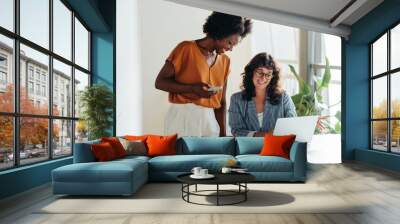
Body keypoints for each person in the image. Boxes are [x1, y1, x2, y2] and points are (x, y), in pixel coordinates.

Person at [155, 12, 252, 137]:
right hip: (183, 116)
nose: (231, 49)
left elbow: (221, 102)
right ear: (219, 34)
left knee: (211, 155)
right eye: (229, 43)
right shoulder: (185, 49)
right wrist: (192, 89)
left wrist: (223, 134)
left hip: (209, 119)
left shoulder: (225, 61)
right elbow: (160, 82)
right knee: (182, 156)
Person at [228, 53, 297, 137]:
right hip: (247, 148)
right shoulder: (236, 99)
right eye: (260, 72)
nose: (263, 78)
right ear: (251, 72)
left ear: (273, 76)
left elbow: (292, 125)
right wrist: (263, 135)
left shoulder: (283, 97)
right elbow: (236, 131)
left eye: (268, 74)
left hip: (276, 148)